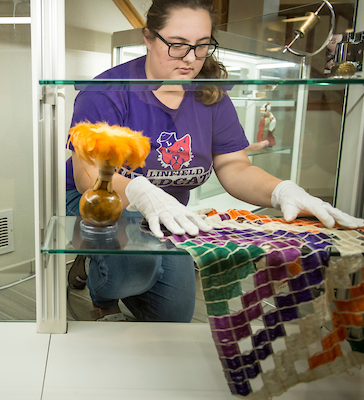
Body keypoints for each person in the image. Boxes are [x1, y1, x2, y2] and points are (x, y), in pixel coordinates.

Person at [66, 0, 364, 322]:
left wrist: (283, 191)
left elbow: (234, 166)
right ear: (149, 37)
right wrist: (140, 192)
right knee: (137, 265)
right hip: (100, 203)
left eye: (202, 46)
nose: (192, 59)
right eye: (177, 46)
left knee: (174, 316)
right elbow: (89, 179)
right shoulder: (106, 92)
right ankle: (103, 287)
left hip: (170, 211)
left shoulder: (209, 93)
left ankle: (110, 260)